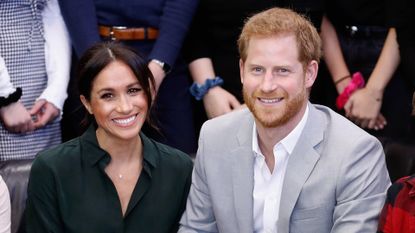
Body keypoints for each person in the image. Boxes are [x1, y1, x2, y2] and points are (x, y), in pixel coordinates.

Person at [179, 7, 390, 233]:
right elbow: (196, 229)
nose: (267, 85)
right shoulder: (214, 138)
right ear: (242, 70)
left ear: (310, 73)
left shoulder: (356, 152)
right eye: (257, 69)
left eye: (282, 71)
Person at [25, 42, 193, 233]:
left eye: (133, 90)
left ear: (148, 93)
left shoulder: (179, 168)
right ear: (87, 103)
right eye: (108, 96)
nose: (125, 107)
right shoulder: (52, 168)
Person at [58, 0, 199, 154]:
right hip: (97, 54)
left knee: (177, 160)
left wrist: (160, 65)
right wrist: (97, 65)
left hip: (165, 59)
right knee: (92, 162)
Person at [317, 0, 414, 139]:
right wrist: (346, 87)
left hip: (396, 54)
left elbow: (406, 18)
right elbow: (313, 12)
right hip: (331, 51)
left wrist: (373, 91)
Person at [0, 0, 71, 160]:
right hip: (6, 68)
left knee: (44, 173)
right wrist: (5, 97)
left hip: (40, 70)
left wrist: (56, 91)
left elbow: (52, 8)